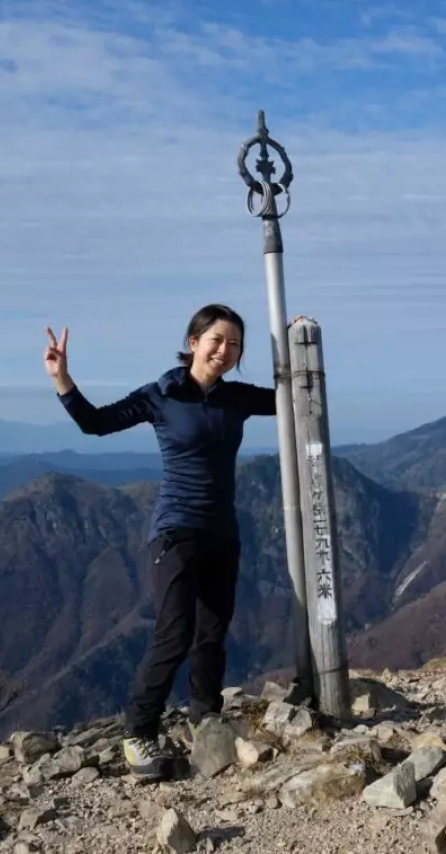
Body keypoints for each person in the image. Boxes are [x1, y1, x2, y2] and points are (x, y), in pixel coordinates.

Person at [42, 303, 276, 778]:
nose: (225, 350)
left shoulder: (237, 398)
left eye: (234, 344)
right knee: (175, 633)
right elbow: (96, 423)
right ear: (193, 342)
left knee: (212, 633)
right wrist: (62, 379)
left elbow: (297, 396)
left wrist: (300, 344)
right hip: (176, 530)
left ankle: (204, 721)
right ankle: (138, 735)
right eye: (216, 340)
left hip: (223, 531)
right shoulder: (161, 394)